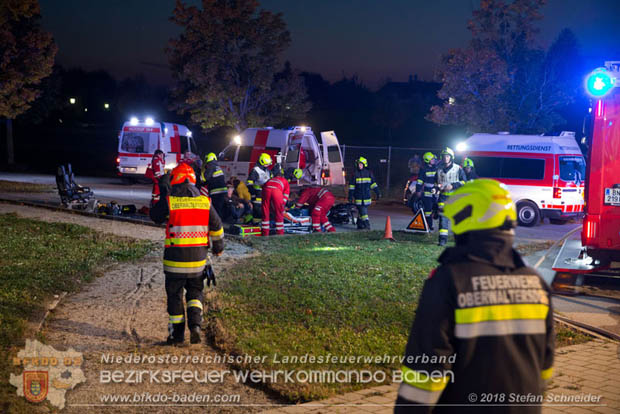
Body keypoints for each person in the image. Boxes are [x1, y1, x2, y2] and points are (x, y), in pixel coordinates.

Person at [394, 179, 554, 414]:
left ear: (466, 220)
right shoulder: (536, 282)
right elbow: (545, 366)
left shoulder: (450, 280)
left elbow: (426, 370)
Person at [149, 163, 224, 345]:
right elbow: (217, 227)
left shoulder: (170, 202)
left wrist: (164, 191)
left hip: (175, 261)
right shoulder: (204, 202)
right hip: (198, 262)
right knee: (195, 293)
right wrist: (218, 248)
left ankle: (177, 336)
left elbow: (155, 216)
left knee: (175, 296)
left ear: (175, 180)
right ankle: (196, 326)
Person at [435, 147, 467, 246]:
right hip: (443, 198)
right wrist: (436, 188)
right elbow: (436, 183)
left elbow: (464, 182)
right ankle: (442, 241)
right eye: (444, 156)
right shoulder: (438, 170)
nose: (445, 158)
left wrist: (453, 186)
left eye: (447, 156)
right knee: (443, 220)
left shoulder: (458, 169)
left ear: (451, 157)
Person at [348, 157, 381, 229]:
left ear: (364, 164)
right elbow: (352, 187)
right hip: (358, 197)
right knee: (363, 212)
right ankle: (367, 225)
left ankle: (360, 225)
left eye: (361, 164)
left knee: (361, 211)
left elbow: (373, 184)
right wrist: (350, 196)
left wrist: (378, 193)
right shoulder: (355, 174)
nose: (359, 165)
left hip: (367, 197)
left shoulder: (369, 173)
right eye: (358, 164)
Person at [261, 165, 290, 236]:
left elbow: (263, 191)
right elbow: (286, 195)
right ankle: (280, 234)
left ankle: (265, 233)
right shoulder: (285, 181)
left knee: (265, 212)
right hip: (276, 191)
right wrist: (281, 206)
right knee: (279, 214)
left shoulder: (270, 179)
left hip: (266, 189)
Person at [413, 152, 438, 229]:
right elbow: (419, 181)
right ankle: (429, 226)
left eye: (434, 159)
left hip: (436, 192)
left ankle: (436, 215)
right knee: (428, 211)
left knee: (438, 206)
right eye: (432, 159)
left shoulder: (436, 168)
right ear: (428, 160)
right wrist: (418, 191)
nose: (433, 160)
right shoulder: (423, 170)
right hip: (427, 193)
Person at [200, 152, 228, 219]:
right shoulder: (217, 166)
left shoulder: (211, 165)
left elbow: (205, 178)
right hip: (222, 191)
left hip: (216, 192)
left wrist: (202, 169)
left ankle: (217, 226)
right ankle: (219, 225)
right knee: (218, 210)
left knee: (215, 210)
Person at [247, 153, 273, 223]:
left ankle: (262, 224)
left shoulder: (267, 170)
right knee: (258, 212)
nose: (268, 165)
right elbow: (249, 184)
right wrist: (253, 194)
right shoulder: (255, 170)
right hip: (257, 195)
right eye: (267, 164)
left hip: (266, 195)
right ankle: (254, 224)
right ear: (262, 162)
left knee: (265, 211)